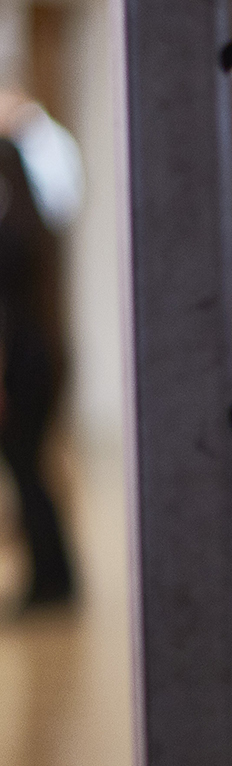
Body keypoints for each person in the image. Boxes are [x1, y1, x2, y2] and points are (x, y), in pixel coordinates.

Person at [0, 91, 79, 610]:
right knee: (32, 469)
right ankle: (52, 577)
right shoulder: (37, 228)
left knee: (28, 470)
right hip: (41, 361)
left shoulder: (10, 237)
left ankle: (51, 581)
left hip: (19, 366)